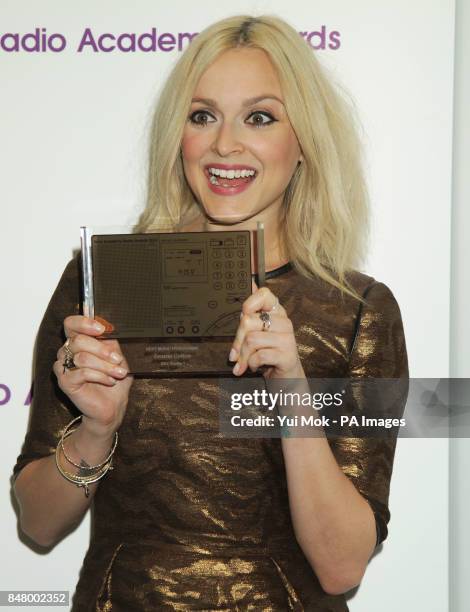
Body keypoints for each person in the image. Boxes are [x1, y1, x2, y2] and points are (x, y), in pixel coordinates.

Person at [12, 14, 408, 611]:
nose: (226, 144)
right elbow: (38, 526)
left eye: (260, 116)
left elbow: (341, 565)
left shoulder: (359, 312)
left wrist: (292, 391)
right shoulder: (102, 285)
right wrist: (96, 430)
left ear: (304, 143)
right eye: (202, 116)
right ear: (180, 138)